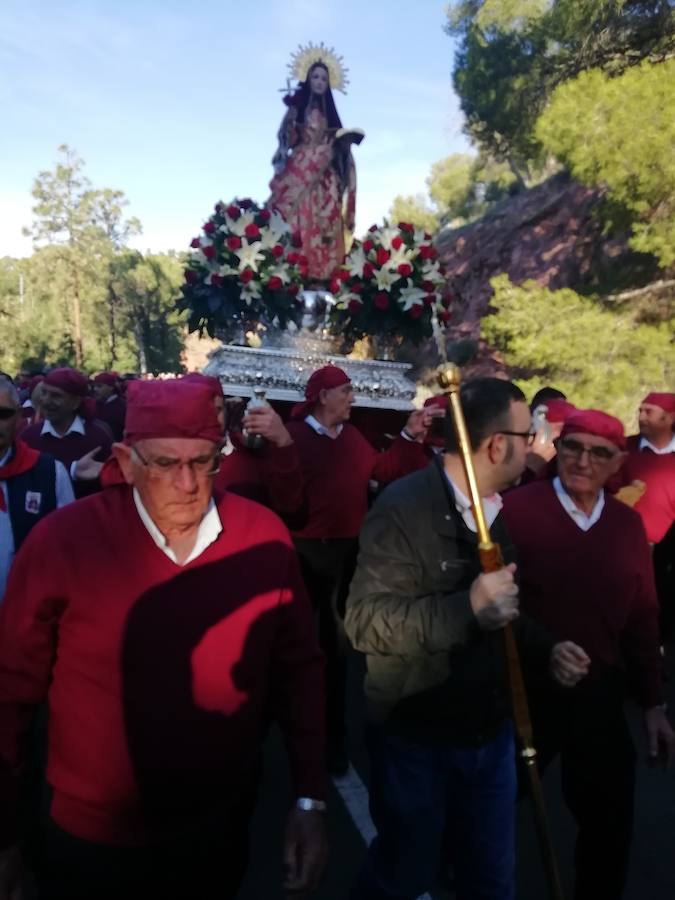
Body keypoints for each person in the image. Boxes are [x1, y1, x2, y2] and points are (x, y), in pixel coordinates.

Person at [0, 378, 327, 900]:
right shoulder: (63, 543)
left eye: (203, 462)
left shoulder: (262, 539)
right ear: (127, 461)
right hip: (90, 839)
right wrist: (6, 834)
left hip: (216, 830)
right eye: (164, 464)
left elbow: (300, 673)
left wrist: (310, 799)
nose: (187, 483)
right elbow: (10, 692)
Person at [344, 377, 588, 900]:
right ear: (498, 444)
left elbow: (500, 608)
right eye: (530, 434)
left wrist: (548, 648)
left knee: (491, 881)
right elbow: (365, 622)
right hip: (416, 738)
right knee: (404, 876)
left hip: (490, 734)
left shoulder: (496, 509)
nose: (539, 444)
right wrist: (467, 609)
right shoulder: (402, 507)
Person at [502, 408, 675, 900]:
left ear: (618, 460)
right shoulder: (515, 511)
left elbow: (643, 617)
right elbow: (488, 600)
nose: (583, 460)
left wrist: (653, 704)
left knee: (610, 819)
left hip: (598, 691)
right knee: (490, 803)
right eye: (573, 446)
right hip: (522, 689)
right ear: (558, 447)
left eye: (599, 453)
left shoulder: (624, 526)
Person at [286, 365, 433, 774]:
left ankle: (333, 739)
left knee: (336, 650)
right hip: (302, 552)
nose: (353, 398)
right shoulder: (293, 437)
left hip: (346, 553)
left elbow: (383, 471)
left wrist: (409, 436)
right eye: (346, 391)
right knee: (294, 643)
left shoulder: (351, 439)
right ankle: (285, 726)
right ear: (323, 396)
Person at [269, 56, 358, 282]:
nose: (319, 82)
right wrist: (290, 120)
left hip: (325, 174)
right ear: (308, 79)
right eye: (315, 77)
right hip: (299, 169)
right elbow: (287, 141)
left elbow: (339, 144)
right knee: (296, 216)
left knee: (324, 220)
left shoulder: (331, 115)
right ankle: (293, 271)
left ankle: (320, 277)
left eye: (324, 79)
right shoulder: (298, 108)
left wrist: (343, 146)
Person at [182, 373, 306, 526]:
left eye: (217, 409)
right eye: (200, 408)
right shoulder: (160, 459)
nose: (210, 416)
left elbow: (290, 508)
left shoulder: (249, 456)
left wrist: (283, 441)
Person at [0, 376, 73, 602]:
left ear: (20, 417)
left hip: (29, 614)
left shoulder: (49, 472)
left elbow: (70, 546)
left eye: (3, 414)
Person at [20, 368, 113, 497]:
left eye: (56, 396)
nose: (46, 401)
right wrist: (73, 470)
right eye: (44, 392)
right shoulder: (29, 436)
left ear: (75, 402)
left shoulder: (98, 436)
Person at [91, 371, 127, 442]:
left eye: (99, 386)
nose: (95, 389)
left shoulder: (123, 406)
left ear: (111, 387)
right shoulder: (94, 405)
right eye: (94, 386)